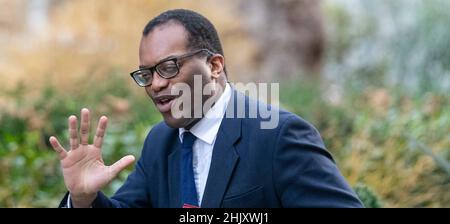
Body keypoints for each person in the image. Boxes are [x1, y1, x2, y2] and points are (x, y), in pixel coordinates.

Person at [49, 9, 363, 208]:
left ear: (213, 65)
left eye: (169, 67)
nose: (155, 84)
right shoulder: (161, 142)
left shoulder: (277, 135)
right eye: (146, 74)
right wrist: (83, 199)